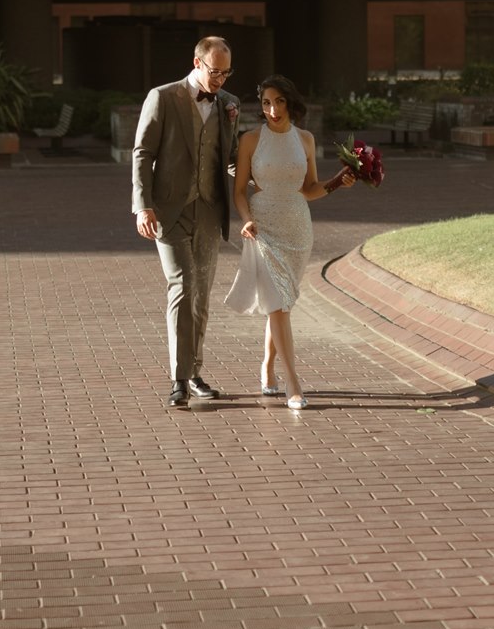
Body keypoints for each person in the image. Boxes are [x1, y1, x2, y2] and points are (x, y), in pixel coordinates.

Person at [222, 75, 353, 410]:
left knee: (281, 303)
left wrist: (338, 183)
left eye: (278, 101)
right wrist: (247, 218)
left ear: (289, 102)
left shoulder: (305, 139)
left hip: (297, 228)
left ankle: (266, 366)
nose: (272, 110)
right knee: (278, 304)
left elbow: (309, 188)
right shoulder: (251, 140)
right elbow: (239, 192)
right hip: (264, 227)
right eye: (266, 103)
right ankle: (293, 383)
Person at [131, 37, 241, 409]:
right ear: (197, 62)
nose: (220, 80)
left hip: (210, 210)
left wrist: (262, 179)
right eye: (215, 72)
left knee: (203, 295)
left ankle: (195, 372)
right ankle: (179, 378)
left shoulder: (229, 105)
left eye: (227, 73)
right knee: (183, 286)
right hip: (168, 211)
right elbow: (143, 153)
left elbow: (230, 158)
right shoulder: (162, 97)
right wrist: (142, 206)